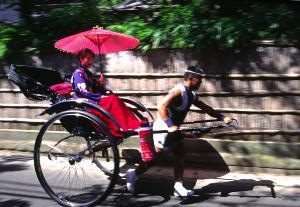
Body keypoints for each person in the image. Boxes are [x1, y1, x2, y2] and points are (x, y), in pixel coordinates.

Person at [125, 65, 233, 197]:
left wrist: (222, 117)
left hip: (173, 129)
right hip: (164, 127)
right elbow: (161, 106)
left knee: (180, 156)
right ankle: (132, 175)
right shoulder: (179, 91)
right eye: (199, 79)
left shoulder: (191, 95)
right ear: (191, 78)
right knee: (154, 158)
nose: (201, 82)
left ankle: (178, 186)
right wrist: (170, 125)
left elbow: (205, 107)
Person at [71, 48, 144, 138]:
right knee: (112, 99)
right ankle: (123, 127)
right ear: (81, 59)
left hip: (92, 98)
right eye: (88, 58)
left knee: (113, 98)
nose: (91, 61)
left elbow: (95, 88)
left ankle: (129, 125)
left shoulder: (88, 73)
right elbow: (84, 92)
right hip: (86, 101)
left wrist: (100, 83)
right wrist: (100, 97)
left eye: (92, 59)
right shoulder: (78, 73)